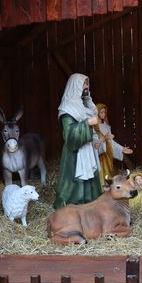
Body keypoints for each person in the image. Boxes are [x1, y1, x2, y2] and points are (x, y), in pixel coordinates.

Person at [54, 73, 102, 209]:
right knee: (75, 180)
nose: (86, 87)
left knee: (90, 177)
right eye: (84, 84)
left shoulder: (83, 105)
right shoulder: (67, 109)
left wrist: (87, 100)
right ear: (76, 86)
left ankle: (90, 204)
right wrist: (87, 123)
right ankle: (74, 206)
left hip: (87, 148)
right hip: (75, 154)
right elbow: (69, 135)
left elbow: (92, 112)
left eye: (87, 84)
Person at [94, 103, 133, 188]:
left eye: (104, 112)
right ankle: (100, 188)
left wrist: (122, 148)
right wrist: (105, 137)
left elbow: (111, 142)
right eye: (101, 112)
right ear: (96, 113)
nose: (103, 114)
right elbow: (94, 142)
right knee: (100, 172)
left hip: (108, 153)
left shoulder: (106, 126)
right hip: (99, 155)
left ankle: (108, 188)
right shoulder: (93, 127)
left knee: (109, 171)